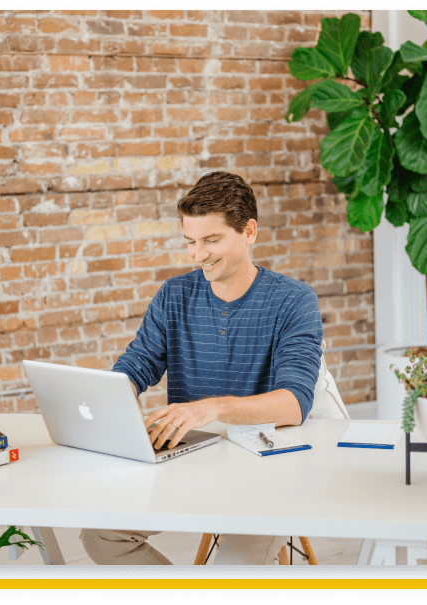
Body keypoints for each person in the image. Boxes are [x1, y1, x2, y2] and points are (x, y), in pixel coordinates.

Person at [80, 171, 324, 565]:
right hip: (190, 459)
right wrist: (107, 398)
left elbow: (293, 404)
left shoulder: (294, 301)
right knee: (101, 535)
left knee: (234, 566)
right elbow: (137, 365)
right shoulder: (175, 295)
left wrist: (210, 408)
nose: (198, 254)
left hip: (265, 473)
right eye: (191, 242)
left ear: (249, 232)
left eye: (211, 240)